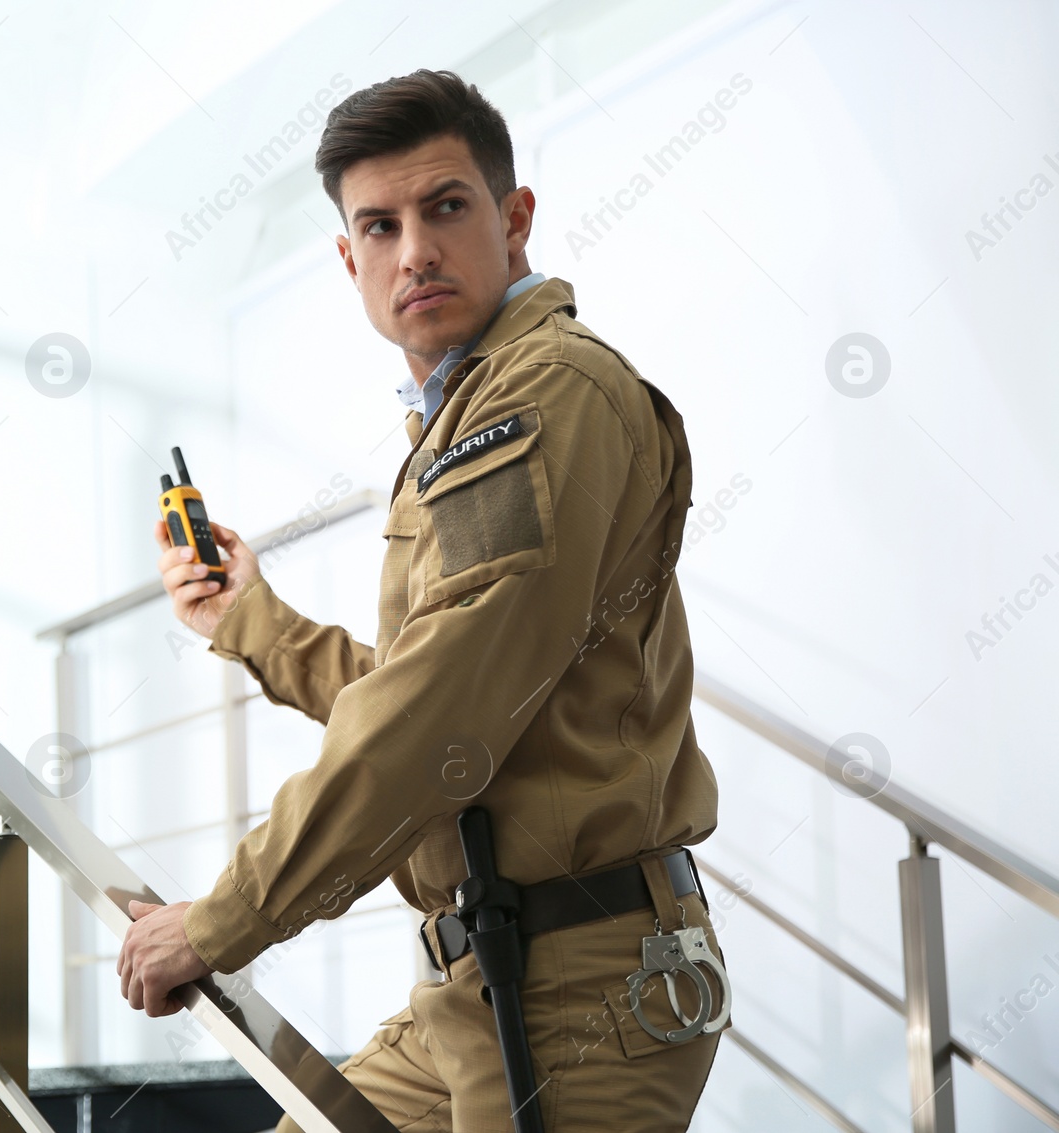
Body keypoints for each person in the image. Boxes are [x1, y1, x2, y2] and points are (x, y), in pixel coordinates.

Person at [117, 69, 726, 1131]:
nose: (416, 251)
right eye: (380, 226)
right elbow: (451, 699)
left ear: (514, 218)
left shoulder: (543, 394)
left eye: (445, 206)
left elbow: (435, 714)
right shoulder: (459, 415)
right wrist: (247, 622)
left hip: (574, 992)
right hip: (475, 972)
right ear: (349, 260)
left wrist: (219, 921)